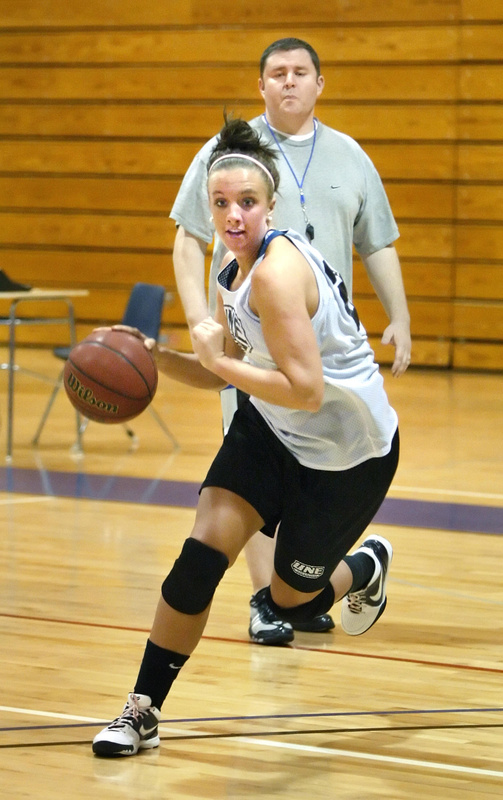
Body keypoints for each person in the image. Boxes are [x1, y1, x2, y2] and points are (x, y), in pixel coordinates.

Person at [92, 117, 400, 758]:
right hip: (273, 429)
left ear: (271, 205)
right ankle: (142, 711)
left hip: (348, 451)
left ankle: (366, 565)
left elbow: (306, 389)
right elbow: (230, 368)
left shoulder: (275, 273)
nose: (233, 215)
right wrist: (155, 357)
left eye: (247, 203)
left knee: (289, 603)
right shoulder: (233, 269)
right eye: (221, 204)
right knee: (199, 558)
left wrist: (217, 359)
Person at [170, 37, 410, 646]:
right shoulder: (229, 153)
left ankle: (309, 585)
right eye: (277, 73)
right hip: (250, 341)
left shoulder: (350, 156)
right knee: (250, 475)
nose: (289, 82)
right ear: (261, 86)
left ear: (319, 84)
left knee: (313, 470)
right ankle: (265, 603)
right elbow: (187, 237)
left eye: (300, 72)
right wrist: (201, 322)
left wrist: (400, 317)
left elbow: (376, 242)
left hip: (324, 348)